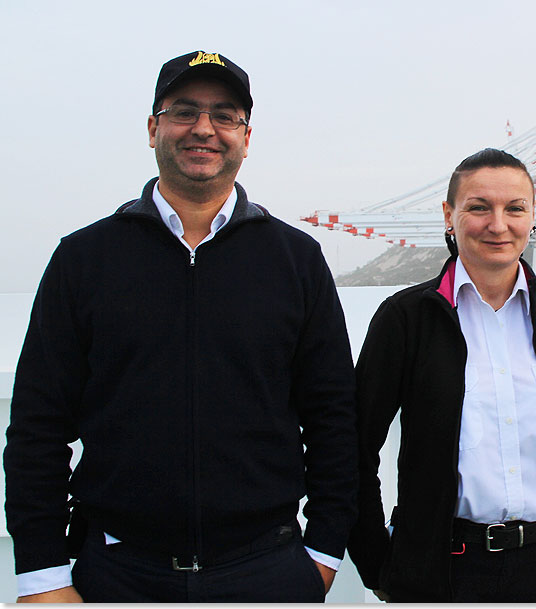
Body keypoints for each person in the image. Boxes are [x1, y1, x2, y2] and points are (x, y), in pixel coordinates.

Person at [4, 50, 358, 602]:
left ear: (246, 135)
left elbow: (334, 415)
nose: (203, 129)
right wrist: (42, 574)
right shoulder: (84, 259)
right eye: (183, 111)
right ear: (153, 128)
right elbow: (36, 425)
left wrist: (324, 552)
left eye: (224, 116)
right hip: (117, 572)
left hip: (267, 570)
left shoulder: (297, 260)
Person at [347, 148, 536, 602]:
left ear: (532, 216)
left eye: (515, 208)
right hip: (444, 572)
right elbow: (354, 446)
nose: (498, 224)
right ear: (449, 215)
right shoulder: (406, 319)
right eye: (479, 207)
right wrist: (377, 562)